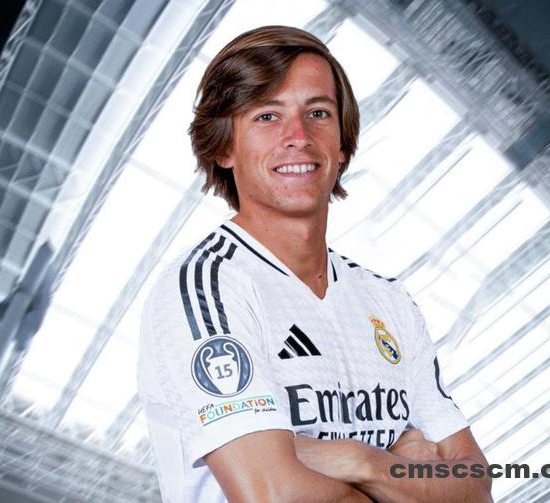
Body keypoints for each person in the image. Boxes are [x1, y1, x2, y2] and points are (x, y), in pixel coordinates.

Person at [137, 25, 492, 502]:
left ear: (342, 144)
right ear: (223, 147)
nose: (298, 137)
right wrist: (403, 476)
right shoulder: (207, 288)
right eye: (267, 116)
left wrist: (358, 460)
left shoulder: (388, 301)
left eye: (318, 113)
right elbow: (273, 497)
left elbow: (475, 487)